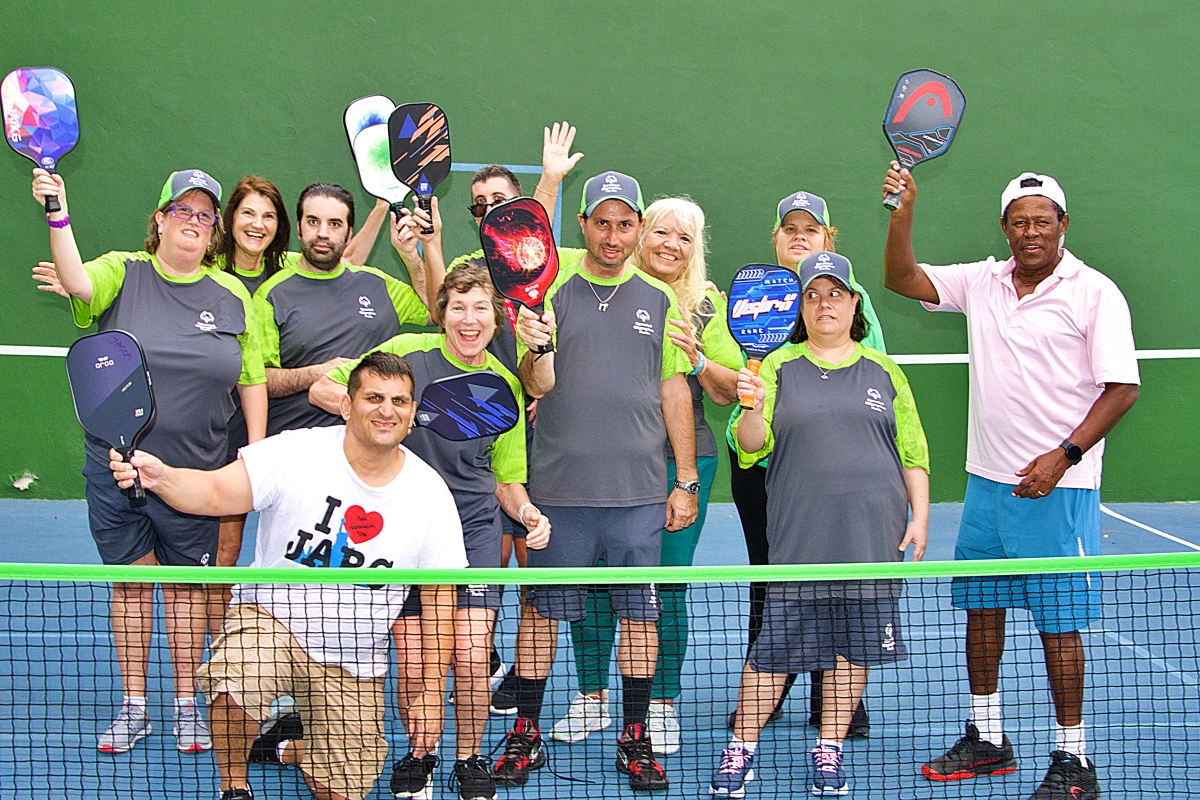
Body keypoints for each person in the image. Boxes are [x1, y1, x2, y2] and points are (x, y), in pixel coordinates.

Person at [881, 165, 1140, 800]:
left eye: (1042, 221)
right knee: (981, 612)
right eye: (1019, 221)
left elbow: (1124, 386)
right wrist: (902, 211)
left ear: (1062, 226)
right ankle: (989, 737)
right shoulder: (983, 280)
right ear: (1004, 227)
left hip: (1061, 492)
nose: (1031, 231)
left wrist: (1065, 455)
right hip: (988, 487)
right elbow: (900, 279)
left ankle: (1073, 758)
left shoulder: (1096, 293)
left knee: (1060, 623)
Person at [108, 352, 465, 800]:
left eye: (399, 401)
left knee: (339, 789)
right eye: (373, 397)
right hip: (273, 620)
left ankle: (292, 749)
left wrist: (432, 691)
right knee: (234, 684)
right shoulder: (296, 451)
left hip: (354, 654)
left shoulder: (429, 493)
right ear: (346, 406)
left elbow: (438, 597)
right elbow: (215, 491)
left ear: (412, 414)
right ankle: (234, 787)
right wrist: (160, 477)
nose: (386, 410)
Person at [30, 167, 267, 754]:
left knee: (186, 591)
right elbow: (78, 282)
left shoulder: (233, 295)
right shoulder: (123, 272)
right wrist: (57, 211)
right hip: (117, 469)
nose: (193, 222)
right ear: (159, 220)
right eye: (181, 211)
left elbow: (252, 378)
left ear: (214, 232)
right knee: (134, 587)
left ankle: (187, 704)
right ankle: (135, 705)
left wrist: (257, 452)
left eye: (204, 215)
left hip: (197, 475)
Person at [308, 264, 551, 800]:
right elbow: (326, 387)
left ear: (496, 318)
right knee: (415, 664)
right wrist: (382, 413)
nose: (469, 320)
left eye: (481, 309)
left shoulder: (503, 383)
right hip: (402, 529)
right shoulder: (410, 355)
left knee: (468, 657)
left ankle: (467, 757)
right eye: (458, 307)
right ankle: (419, 756)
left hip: (471, 529)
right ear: (442, 313)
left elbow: (506, 481)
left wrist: (528, 513)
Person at [493, 171, 698, 793]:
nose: (613, 235)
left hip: (637, 493)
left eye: (625, 223)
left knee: (639, 617)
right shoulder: (549, 293)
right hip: (557, 493)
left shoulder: (661, 301)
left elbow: (672, 391)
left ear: (638, 229)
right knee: (540, 614)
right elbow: (534, 385)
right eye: (601, 222)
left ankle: (635, 739)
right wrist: (534, 346)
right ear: (582, 226)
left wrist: (685, 478)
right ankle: (524, 733)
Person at [709, 251, 930, 798]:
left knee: (851, 650)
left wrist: (920, 517)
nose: (824, 303)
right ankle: (741, 749)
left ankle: (828, 751)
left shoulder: (885, 370)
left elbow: (912, 451)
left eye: (835, 293)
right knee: (774, 651)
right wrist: (754, 407)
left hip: (872, 534)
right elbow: (749, 448)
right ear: (798, 309)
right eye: (812, 295)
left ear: (855, 304)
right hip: (799, 535)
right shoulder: (776, 368)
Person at [392, 123, 581, 713]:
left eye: (501, 199)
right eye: (481, 205)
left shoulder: (531, 263)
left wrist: (549, 178)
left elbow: (532, 229)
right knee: (482, 558)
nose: (492, 210)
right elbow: (438, 299)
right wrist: (422, 247)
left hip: (517, 432)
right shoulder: (471, 275)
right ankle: (482, 649)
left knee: (525, 558)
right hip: (454, 447)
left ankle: (505, 670)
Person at [554, 197, 742, 756]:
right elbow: (524, 262)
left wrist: (699, 359)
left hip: (683, 464)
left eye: (685, 238)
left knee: (664, 589)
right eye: (661, 232)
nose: (670, 245)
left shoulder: (708, 304)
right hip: (598, 460)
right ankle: (592, 696)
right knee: (591, 584)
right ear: (638, 233)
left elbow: (729, 388)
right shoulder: (594, 279)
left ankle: (660, 704)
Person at [725, 191, 882, 735]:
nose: (799, 236)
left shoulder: (853, 301)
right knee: (772, 576)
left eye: (810, 229)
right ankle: (768, 685)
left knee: (837, 575)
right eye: (789, 228)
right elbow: (731, 377)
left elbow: (875, 373)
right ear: (775, 238)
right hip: (760, 461)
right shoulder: (753, 296)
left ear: (828, 239)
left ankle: (835, 700)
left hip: (829, 462)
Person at [254, 182, 431, 438]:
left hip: (369, 445)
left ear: (349, 235)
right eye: (313, 222)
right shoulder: (271, 295)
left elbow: (434, 311)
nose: (323, 233)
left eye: (334, 224)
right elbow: (258, 381)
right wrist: (316, 373)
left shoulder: (377, 284)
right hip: (297, 443)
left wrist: (411, 256)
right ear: (300, 230)